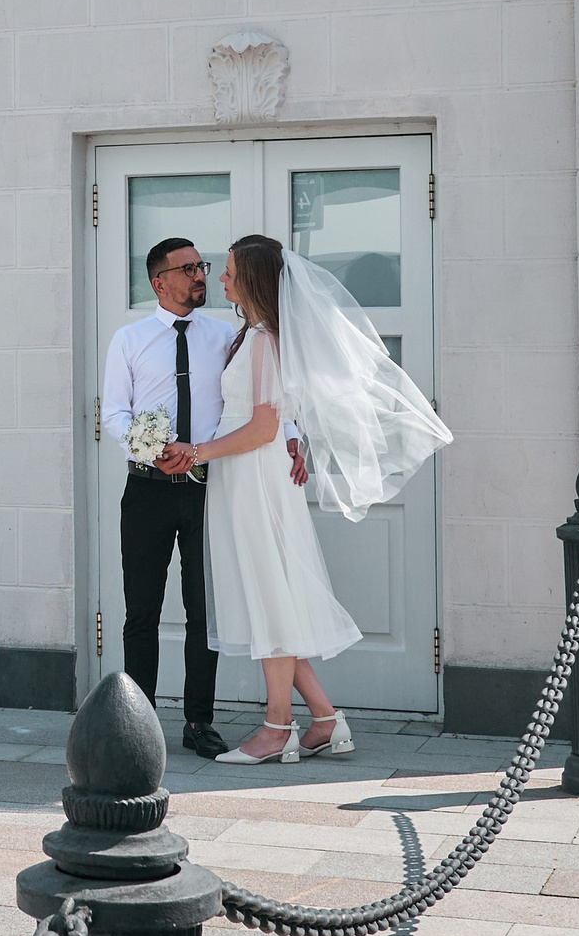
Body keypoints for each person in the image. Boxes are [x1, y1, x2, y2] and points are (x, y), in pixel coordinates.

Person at [186, 234, 451, 764]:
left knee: (270, 595)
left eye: (230, 271)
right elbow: (274, 419)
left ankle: (276, 728)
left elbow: (260, 426)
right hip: (248, 475)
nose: (220, 279)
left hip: (254, 476)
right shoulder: (257, 335)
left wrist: (197, 452)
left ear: (254, 279)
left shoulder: (263, 340)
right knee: (275, 595)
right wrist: (284, 436)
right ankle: (325, 720)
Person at [103, 238, 302, 758]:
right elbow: (114, 414)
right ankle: (137, 725)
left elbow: (270, 394)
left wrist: (294, 435)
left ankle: (198, 722)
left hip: (207, 494)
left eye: (203, 266)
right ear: (158, 281)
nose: (200, 276)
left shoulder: (228, 336)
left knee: (202, 613)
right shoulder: (128, 339)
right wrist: (148, 448)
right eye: (187, 268)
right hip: (146, 491)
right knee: (140, 613)